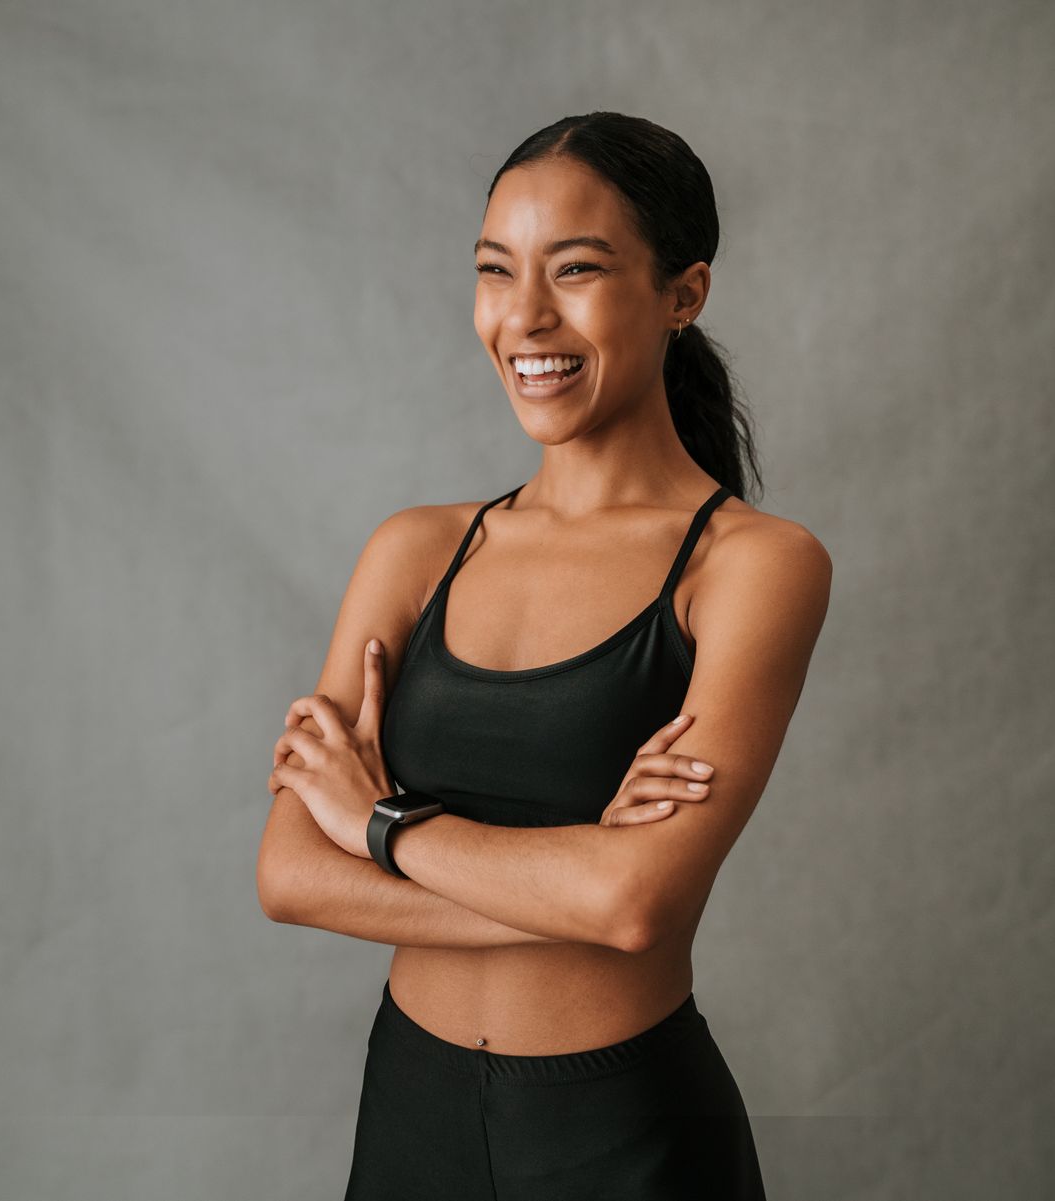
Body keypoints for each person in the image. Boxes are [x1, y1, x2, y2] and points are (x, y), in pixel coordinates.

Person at [256, 111, 831, 1200]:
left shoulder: (755, 566)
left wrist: (377, 826)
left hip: (623, 1134)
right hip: (410, 1114)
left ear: (684, 293)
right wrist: (570, 876)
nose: (524, 317)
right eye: (494, 270)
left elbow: (636, 909)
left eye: (576, 271)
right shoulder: (415, 550)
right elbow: (288, 875)